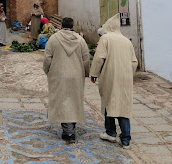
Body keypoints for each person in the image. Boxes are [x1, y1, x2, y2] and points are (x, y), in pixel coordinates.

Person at [89, 14, 138, 149]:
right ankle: (126, 139)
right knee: (123, 105)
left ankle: (110, 132)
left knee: (109, 101)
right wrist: (128, 74)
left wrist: (93, 73)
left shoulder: (106, 38)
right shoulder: (126, 41)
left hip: (110, 76)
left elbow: (99, 58)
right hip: (125, 78)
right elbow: (134, 62)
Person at [42, 17, 90, 144]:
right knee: (74, 100)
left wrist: (47, 70)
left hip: (59, 74)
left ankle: (68, 131)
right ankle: (71, 127)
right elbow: (86, 59)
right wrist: (86, 72)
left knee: (62, 100)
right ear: (73, 26)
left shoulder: (54, 39)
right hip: (76, 75)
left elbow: (47, 58)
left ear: (62, 26)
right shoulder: (80, 40)